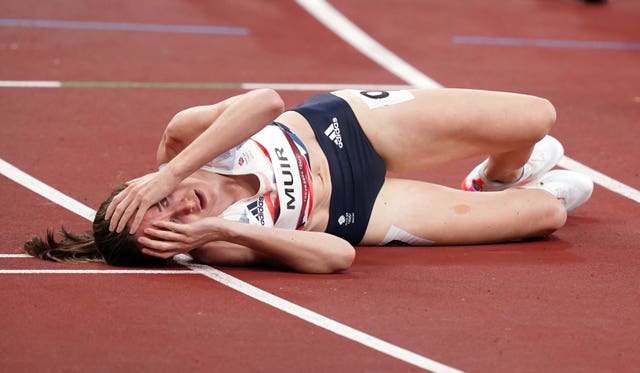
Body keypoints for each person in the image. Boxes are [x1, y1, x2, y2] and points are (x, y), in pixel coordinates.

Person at [23, 88, 593, 273]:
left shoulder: (179, 147)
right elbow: (337, 256)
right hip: (363, 207)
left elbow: (267, 102)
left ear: (140, 185)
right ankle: (501, 199)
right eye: (175, 224)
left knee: (536, 117)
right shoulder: (216, 241)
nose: (181, 206)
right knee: (549, 217)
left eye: (161, 201)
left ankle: (500, 176)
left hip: (354, 127)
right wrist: (229, 233)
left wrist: (169, 173)